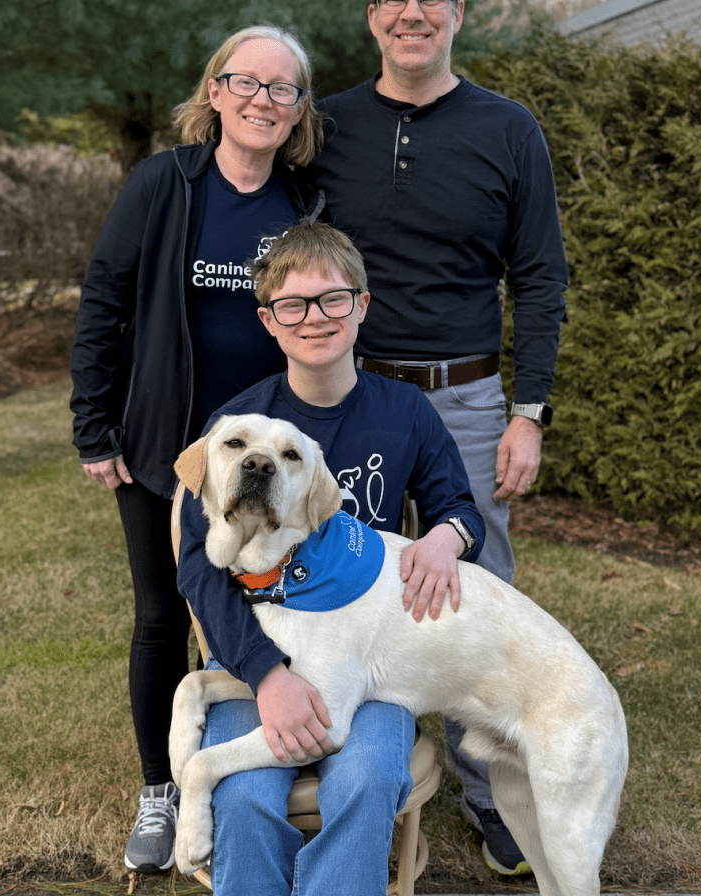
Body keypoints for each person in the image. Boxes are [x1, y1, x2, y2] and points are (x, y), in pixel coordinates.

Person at [305, 0, 569, 876]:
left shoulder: (509, 129)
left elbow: (540, 277)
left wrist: (527, 413)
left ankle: (489, 795)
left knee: (473, 603)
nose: (411, 14)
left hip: (467, 401)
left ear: (458, 10)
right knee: (344, 589)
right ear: (372, 14)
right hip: (353, 398)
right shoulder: (324, 129)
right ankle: (352, 783)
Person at [69, 25, 325, 873]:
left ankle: (264, 770)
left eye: (282, 89)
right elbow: (103, 301)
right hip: (166, 447)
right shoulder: (164, 183)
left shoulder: (307, 202)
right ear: (215, 92)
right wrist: (94, 426)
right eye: (246, 82)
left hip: (266, 457)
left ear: (299, 111)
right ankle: (161, 788)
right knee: (161, 615)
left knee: (272, 612)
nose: (263, 100)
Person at [176, 219, 486, 896]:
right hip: (256, 654)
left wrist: (445, 539)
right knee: (245, 795)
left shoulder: (405, 410)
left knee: (367, 779)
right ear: (269, 320)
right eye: (293, 305)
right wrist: (267, 676)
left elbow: (460, 510)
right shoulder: (238, 428)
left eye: (333, 299)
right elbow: (198, 566)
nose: (315, 318)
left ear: (361, 305)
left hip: (368, 663)